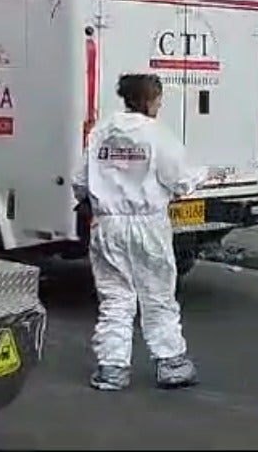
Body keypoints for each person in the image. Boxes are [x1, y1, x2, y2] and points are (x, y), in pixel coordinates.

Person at [71, 74, 209, 392]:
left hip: (108, 224)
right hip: (147, 223)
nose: (160, 105)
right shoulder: (158, 135)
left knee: (115, 296)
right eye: (158, 99)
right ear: (149, 100)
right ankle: (171, 363)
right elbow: (179, 180)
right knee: (157, 294)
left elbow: (80, 181)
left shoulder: (101, 132)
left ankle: (112, 368)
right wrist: (201, 175)